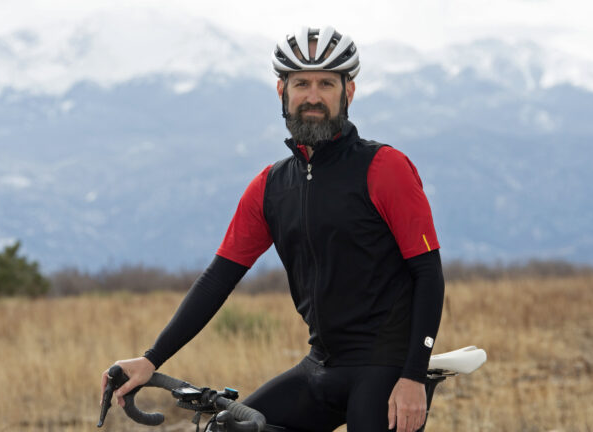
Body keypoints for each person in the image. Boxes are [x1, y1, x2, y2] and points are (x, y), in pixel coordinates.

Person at [101, 26, 445, 432]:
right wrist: (151, 358)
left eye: (326, 84)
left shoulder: (385, 168)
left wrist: (412, 377)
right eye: (301, 83)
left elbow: (428, 274)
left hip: (386, 367)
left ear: (348, 93)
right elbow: (218, 280)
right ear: (282, 90)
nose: (312, 96)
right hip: (322, 364)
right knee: (228, 429)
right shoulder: (270, 187)